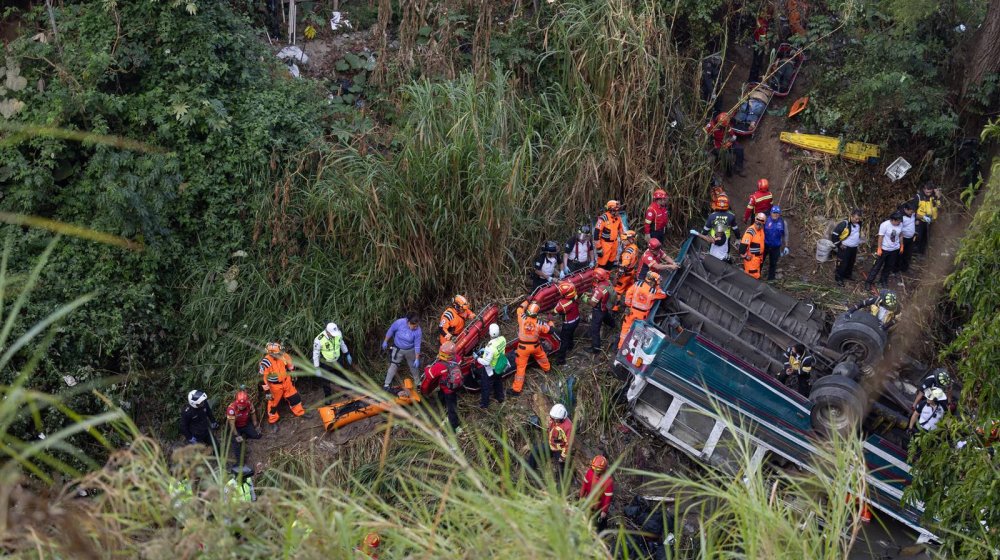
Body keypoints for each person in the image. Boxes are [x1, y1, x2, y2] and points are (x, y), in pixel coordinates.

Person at [260, 342, 307, 430]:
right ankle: (273, 420)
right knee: (272, 403)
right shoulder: (266, 362)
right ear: (271, 353)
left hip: (286, 381)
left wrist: (293, 374)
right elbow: (263, 378)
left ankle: (300, 412)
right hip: (274, 386)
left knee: (294, 397)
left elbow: (290, 366)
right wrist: (267, 391)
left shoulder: (284, 355)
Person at [512, 302, 553, 394]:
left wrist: (527, 301)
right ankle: (547, 369)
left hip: (522, 348)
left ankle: (516, 389)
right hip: (535, 346)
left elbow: (520, 308)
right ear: (537, 313)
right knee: (542, 357)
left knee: (521, 367)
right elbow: (551, 330)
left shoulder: (522, 317)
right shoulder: (540, 323)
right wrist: (550, 321)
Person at [618, 271, 667, 349]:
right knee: (637, 333)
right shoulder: (653, 291)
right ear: (653, 281)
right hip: (642, 315)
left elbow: (628, 293)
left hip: (631, 311)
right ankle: (630, 349)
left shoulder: (637, 284)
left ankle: (620, 347)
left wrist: (628, 305)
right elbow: (663, 295)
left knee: (625, 329)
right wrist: (657, 287)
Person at [424, 342, 463, 432]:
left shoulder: (440, 366)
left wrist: (427, 367)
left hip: (448, 390)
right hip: (454, 386)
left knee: (452, 408)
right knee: (442, 395)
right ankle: (442, 406)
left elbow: (430, 374)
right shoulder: (457, 358)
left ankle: (455, 427)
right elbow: (460, 361)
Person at [382, 313, 423, 391]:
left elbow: (417, 345)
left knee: (414, 367)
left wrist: (417, 358)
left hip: (410, 350)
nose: (416, 327)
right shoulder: (399, 322)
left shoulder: (418, 331)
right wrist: (385, 341)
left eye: (417, 326)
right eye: (414, 326)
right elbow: (391, 330)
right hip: (398, 349)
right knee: (393, 365)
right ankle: (386, 384)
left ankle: (418, 383)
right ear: (408, 323)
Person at [312, 322, 352, 399]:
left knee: (341, 376)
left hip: (337, 360)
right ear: (327, 332)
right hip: (326, 362)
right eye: (332, 334)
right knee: (326, 380)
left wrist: (347, 353)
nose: (334, 336)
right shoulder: (319, 339)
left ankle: (345, 392)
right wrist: (316, 367)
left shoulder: (338, 333)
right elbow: (316, 354)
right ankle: (328, 397)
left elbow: (342, 343)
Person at [865, 212, 903, 289]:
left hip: (894, 249)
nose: (899, 223)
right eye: (898, 221)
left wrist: (902, 245)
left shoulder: (900, 224)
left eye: (900, 221)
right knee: (877, 266)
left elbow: (901, 235)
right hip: (884, 249)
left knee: (888, 266)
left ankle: (883, 281)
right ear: (893, 220)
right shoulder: (885, 225)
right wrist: (879, 248)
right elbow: (880, 237)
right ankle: (868, 282)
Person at [475, 323, 507, 408]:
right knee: (498, 381)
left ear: (489, 333)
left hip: (491, 368)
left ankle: (484, 404)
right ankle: (500, 397)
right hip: (500, 365)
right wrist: (485, 350)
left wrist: (477, 358)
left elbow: (486, 362)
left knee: (485, 385)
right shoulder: (503, 339)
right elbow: (497, 348)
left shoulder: (490, 347)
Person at [583, 268, 615, 354]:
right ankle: (613, 325)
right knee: (606, 317)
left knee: (595, 329)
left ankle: (596, 348)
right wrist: (592, 294)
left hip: (598, 310)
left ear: (597, 278)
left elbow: (593, 303)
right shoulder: (607, 282)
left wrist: (585, 299)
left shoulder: (599, 289)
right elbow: (603, 294)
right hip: (605, 307)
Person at [580, 455, 614, 533]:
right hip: (589, 501)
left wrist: (604, 511)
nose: (595, 471)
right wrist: (581, 496)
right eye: (594, 468)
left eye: (598, 470)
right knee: (587, 516)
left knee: (601, 521)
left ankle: (601, 532)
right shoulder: (590, 472)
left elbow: (608, 498)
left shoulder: (608, 480)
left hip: (600, 505)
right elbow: (584, 485)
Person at [705, 112, 745, 177]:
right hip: (717, 145)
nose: (724, 127)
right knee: (727, 158)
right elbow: (704, 134)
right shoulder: (711, 126)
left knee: (740, 149)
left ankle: (738, 168)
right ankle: (728, 173)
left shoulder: (726, 123)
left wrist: (732, 139)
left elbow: (732, 134)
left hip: (727, 142)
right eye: (722, 126)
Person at [226, 389, 261, 462]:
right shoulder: (231, 409)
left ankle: (245, 435)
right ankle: (239, 461)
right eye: (240, 405)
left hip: (246, 424)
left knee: (257, 436)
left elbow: (253, 413)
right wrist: (236, 435)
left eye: (243, 406)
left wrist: (255, 425)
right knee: (238, 442)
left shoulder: (249, 404)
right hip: (236, 427)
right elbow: (232, 424)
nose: (241, 407)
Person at [830, 208, 863, 286]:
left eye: (859, 219)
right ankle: (838, 278)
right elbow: (834, 235)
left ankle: (847, 275)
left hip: (854, 248)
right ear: (851, 216)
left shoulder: (859, 223)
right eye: (856, 218)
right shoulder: (844, 224)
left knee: (851, 262)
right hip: (844, 248)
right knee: (842, 264)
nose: (857, 220)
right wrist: (839, 244)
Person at [552, 282, 580, 365]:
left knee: (563, 340)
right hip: (577, 319)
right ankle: (570, 346)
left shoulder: (562, 304)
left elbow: (554, 311)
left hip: (568, 323)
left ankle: (561, 359)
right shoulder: (575, 295)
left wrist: (550, 315)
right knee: (570, 334)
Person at [612, 230, 639, 312]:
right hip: (632, 272)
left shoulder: (627, 253)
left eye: (624, 240)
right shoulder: (634, 247)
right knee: (629, 289)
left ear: (630, 239)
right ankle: (631, 304)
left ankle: (615, 308)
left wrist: (617, 277)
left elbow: (623, 268)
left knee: (617, 290)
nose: (623, 242)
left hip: (625, 275)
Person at [912, 183, 942, 256]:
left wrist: (938, 197)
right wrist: (922, 217)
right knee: (918, 237)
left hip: (930, 221)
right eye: (927, 192)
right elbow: (913, 211)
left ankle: (922, 254)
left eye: (930, 192)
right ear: (923, 189)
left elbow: (939, 207)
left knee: (926, 238)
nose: (928, 194)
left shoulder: (934, 196)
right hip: (920, 221)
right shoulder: (918, 197)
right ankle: (914, 254)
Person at [761, 205, 789, 281]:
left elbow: (786, 234)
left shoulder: (783, 222)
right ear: (771, 213)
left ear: (779, 214)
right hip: (765, 245)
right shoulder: (766, 220)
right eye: (774, 213)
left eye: (777, 213)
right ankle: (757, 275)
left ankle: (770, 279)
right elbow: (760, 232)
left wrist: (786, 246)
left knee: (773, 264)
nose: (775, 214)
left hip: (776, 247)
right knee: (760, 261)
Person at [594, 200, 625, 269]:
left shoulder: (618, 218)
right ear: (611, 210)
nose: (618, 212)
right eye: (617, 210)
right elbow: (596, 234)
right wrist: (599, 248)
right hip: (605, 244)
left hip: (614, 243)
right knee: (602, 263)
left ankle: (607, 275)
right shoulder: (603, 218)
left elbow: (621, 230)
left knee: (611, 261)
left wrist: (624, 241)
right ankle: (598, 275)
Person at [739, 212, 766, 279]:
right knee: (751, 278)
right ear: (755, 220)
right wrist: (746, 257)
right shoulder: (751, 231)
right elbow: (742, 248)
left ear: (763, 223)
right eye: (757, 221)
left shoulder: (761, 231)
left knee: (756, 277)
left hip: (758, 260)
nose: (759, 223)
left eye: (761, 222)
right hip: (751, 260)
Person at [547, 403, 573, 469]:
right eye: (553, 418)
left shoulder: (568, 427)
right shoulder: (553, 418)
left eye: (556, 419)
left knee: (560, 468)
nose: (554, 421)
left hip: (559, 449)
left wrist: (563, 457)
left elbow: (568, 444)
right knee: (535, 450)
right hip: (551, 444)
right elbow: (549, 428)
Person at [897, 202, 916, 274]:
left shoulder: (912, 214)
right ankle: (896, 269)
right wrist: (901, 243)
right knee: (900, 254)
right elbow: (899, 230)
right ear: (905, 209)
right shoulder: (901, 217)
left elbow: (916, 216)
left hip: (910, 238)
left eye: (912, 212)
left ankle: (905, 269)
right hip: (902, 238)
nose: (912, 213)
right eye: (910, 212)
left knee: (908, 254)